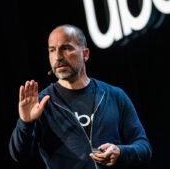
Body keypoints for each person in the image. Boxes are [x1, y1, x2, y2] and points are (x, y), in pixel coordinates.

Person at [9, 24, 152, 169]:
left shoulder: (114, 95)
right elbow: (19, 155)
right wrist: (25, 123)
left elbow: (144, 147)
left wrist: (121, 152)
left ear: (85, 54)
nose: (58, 57)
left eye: (66, 48)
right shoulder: (41, 104)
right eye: (52, 50)